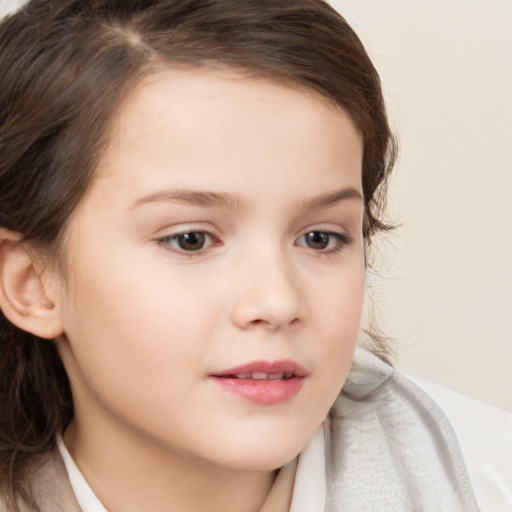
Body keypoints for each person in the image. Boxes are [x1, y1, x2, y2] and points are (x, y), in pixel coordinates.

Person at [0, 1, 479, 511]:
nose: (276, 302)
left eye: (320, 238)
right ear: (32, 284)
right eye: (192, 239)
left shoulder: (483, 477)